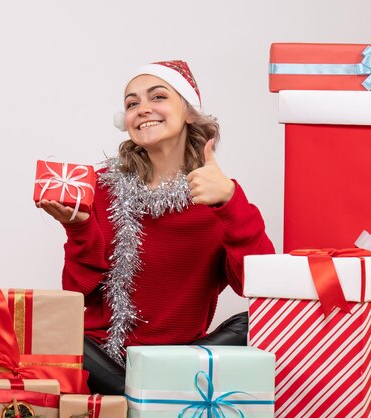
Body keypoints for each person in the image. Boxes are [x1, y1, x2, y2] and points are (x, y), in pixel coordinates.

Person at [38, 60, 274, 394]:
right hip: (101, 360)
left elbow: (261, 286)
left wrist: (231, 202)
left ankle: (143, 394)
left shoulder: (217, 192)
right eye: (132, 104)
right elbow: (79, 295)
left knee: (261, 323)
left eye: (158, 97)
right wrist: (78, 230)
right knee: (49, 330)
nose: (143, 109)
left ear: (189, 112)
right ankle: (148, 396)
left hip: (178, 359)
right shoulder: (101, 187)